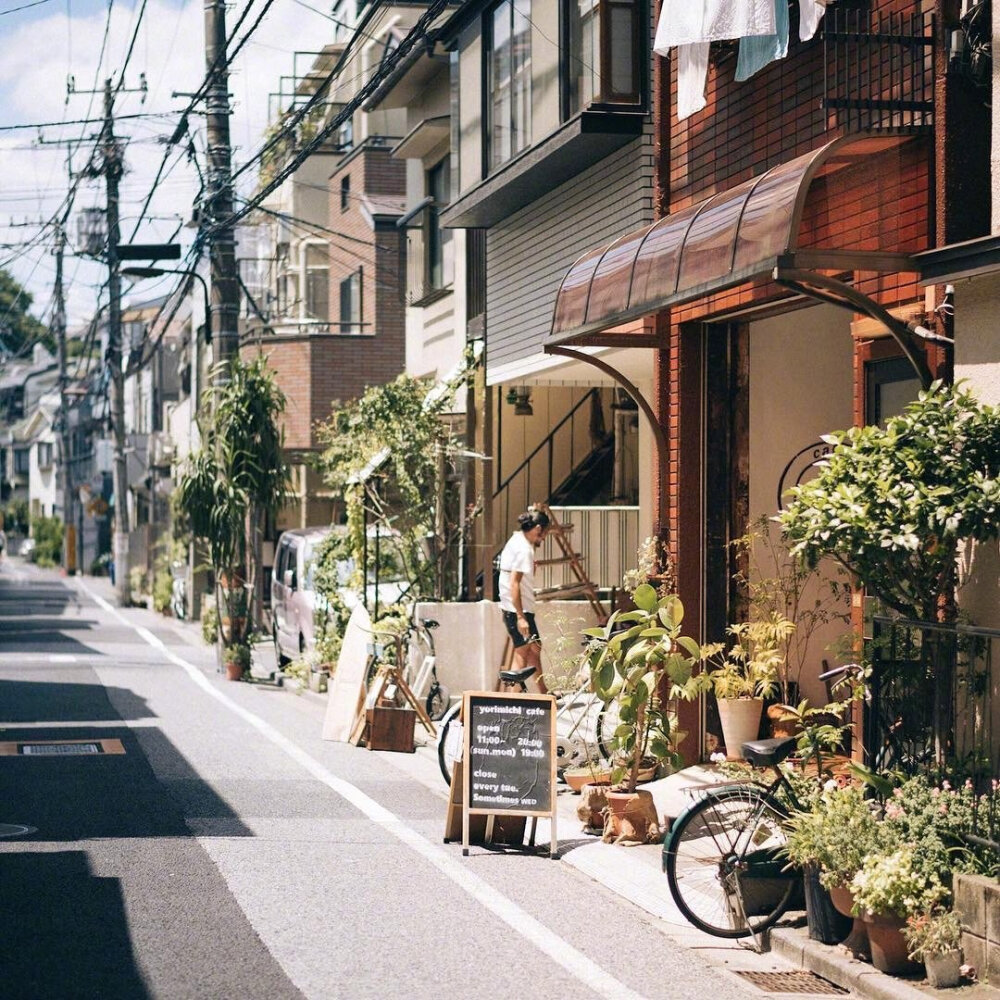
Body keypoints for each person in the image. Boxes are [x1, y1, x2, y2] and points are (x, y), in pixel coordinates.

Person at [497, 507, 550, 694]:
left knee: (535, 647)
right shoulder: (523, 550)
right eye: (544, 534)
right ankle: (513, 699)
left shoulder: (517, 540)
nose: (543, 538)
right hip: (518, 609)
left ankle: (543, 691)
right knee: (523, 651)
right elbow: (514, 584)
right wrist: (520, 616)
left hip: (516, 606)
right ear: (537, 528)